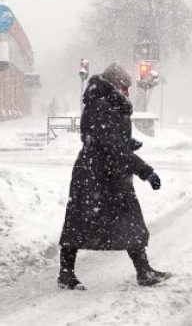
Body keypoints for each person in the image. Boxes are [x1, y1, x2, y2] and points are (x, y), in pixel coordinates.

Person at [57, 62, 171, 290]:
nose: (128, 92)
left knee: (126, 220)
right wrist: (145, 171)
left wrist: (127, 142)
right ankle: (66, 274)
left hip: (107, 173)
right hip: (96, 175)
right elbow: (111, 147)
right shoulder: (101, 105)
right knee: (81, 222)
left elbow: (107, 139)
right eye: (125, 87)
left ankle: (143, 270)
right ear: (114, 84)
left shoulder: (107, 104)